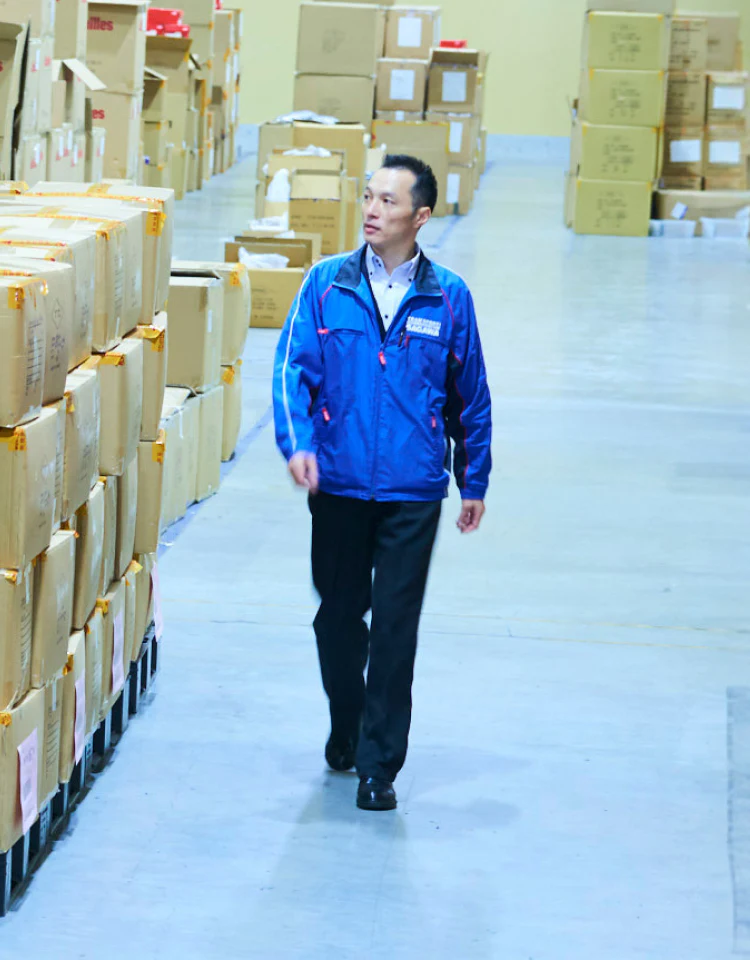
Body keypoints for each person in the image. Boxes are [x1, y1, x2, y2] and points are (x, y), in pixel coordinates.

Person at [272, 154, 492, 811]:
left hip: (412, 490)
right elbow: (291, 371)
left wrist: (472, 479)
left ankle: (379, 766)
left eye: (388, 201)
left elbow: (471, 397)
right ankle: (346, 720)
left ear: (421, 216)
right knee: (338, 619)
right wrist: (298, 444)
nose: (371, 210)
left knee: (396, 629)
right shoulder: (326, 284)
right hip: (338, 483)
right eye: (368, 197)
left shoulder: (448, 297)